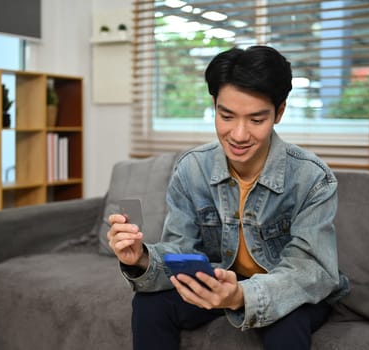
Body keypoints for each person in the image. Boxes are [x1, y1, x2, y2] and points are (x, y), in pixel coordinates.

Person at [107, 45, 349, 350]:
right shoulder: (192, 168)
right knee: (150, 305)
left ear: (280, 112)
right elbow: (181, 249)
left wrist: (243, 296)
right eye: (226, 116)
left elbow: (310, 271)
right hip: (222, 279)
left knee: (286, 320)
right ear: (214, 105)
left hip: (286, 287)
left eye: (256, 120)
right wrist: (141, 258)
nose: (238, 134)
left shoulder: (312, 177)